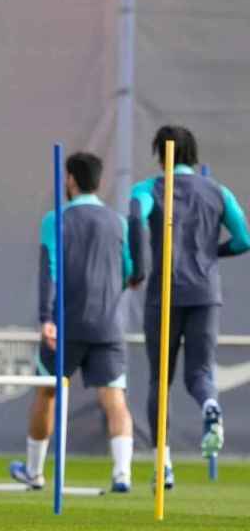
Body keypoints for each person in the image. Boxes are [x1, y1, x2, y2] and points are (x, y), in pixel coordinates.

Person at [129, 125, 250, 489]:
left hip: (165, 293)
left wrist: (138, 266)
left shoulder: (148, 188)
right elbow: (244, 239)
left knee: (159, 380)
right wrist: (212, 253)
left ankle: (163, 464)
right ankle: (210, 406)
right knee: (199, 374)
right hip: (205, 292)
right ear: (193, 154)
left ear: (157, 151)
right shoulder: (218, 191)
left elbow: (135, 216)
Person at [8, 152, 135, 493]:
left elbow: (48, 268)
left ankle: (34, 472)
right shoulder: (117, 222)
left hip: (65, 324)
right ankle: (122, 473)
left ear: (71, 180)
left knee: (47, 393)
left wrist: (46, 318)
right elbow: (127, 271)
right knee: (115, 399)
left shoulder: (55, 219)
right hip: (107, 325)